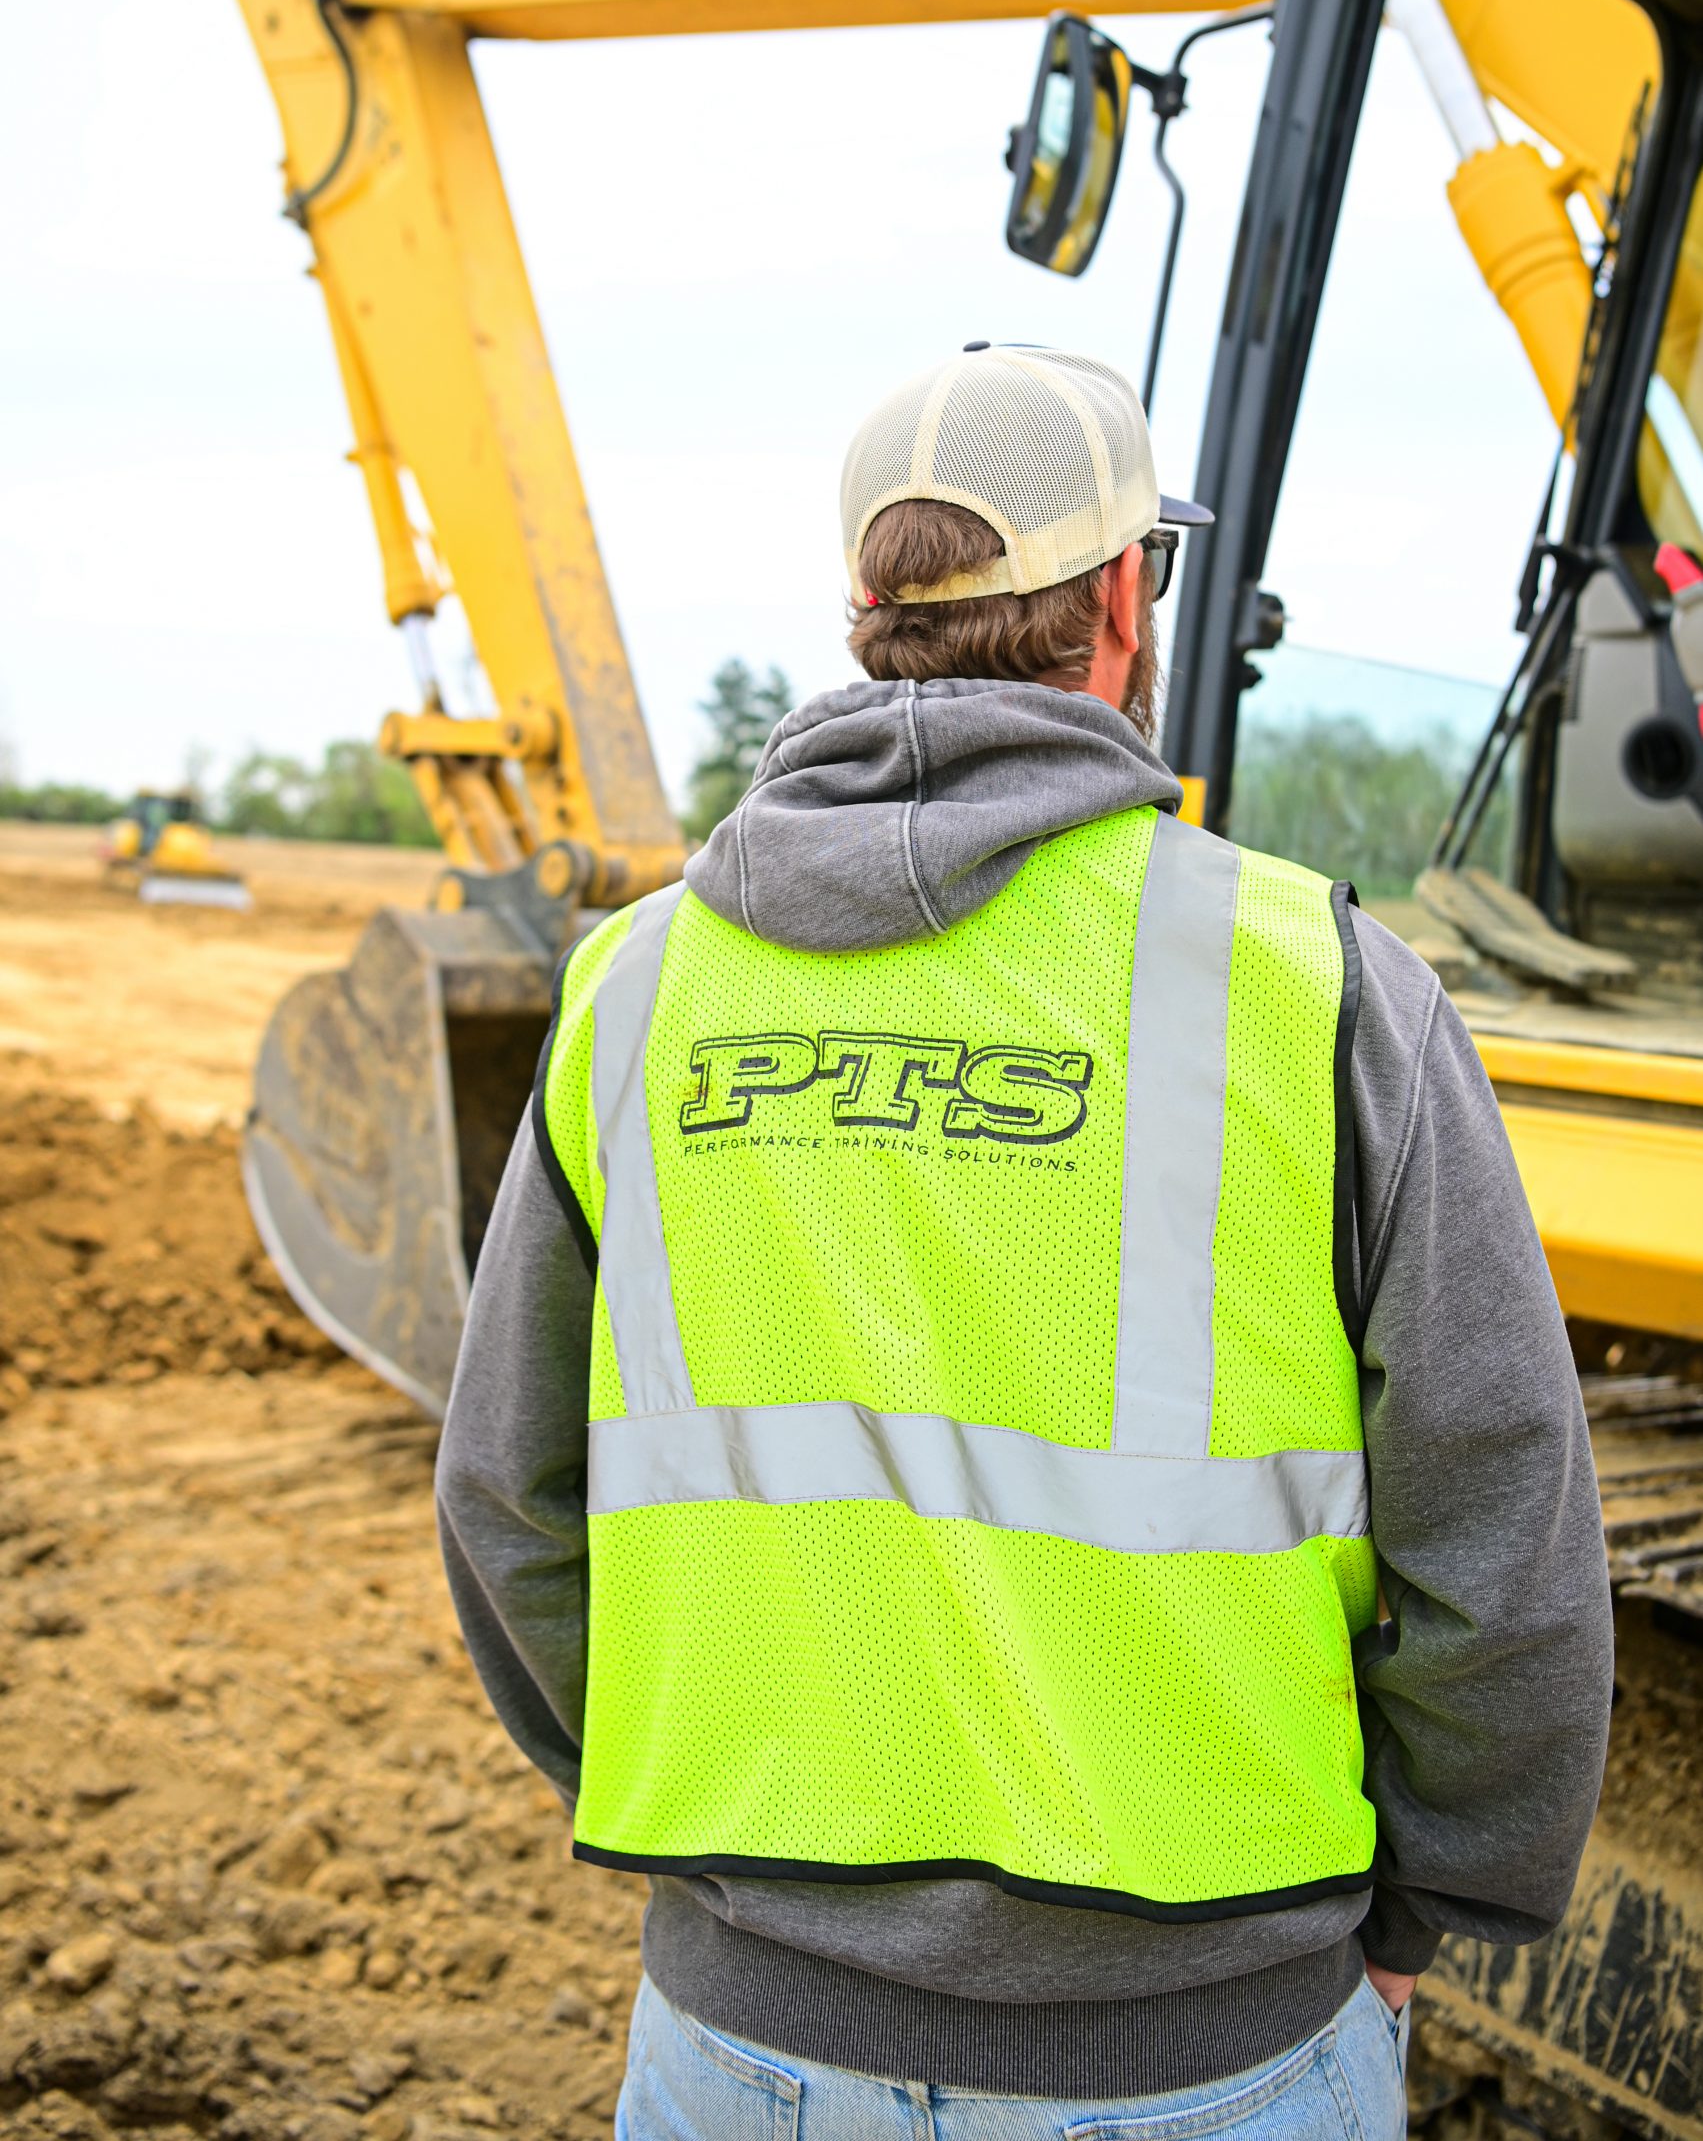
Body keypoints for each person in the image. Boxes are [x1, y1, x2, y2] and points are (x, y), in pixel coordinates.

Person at [437, 343, 1612, 2141]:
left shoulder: (637, 990)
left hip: (739, 2041)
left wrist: (744, 1858)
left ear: (863, 606)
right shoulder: (1315, 988)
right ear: (1125, 599)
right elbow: (1501, 1536)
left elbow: (508, 1500)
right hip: (1210, 2053)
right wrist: (1431, 1907)